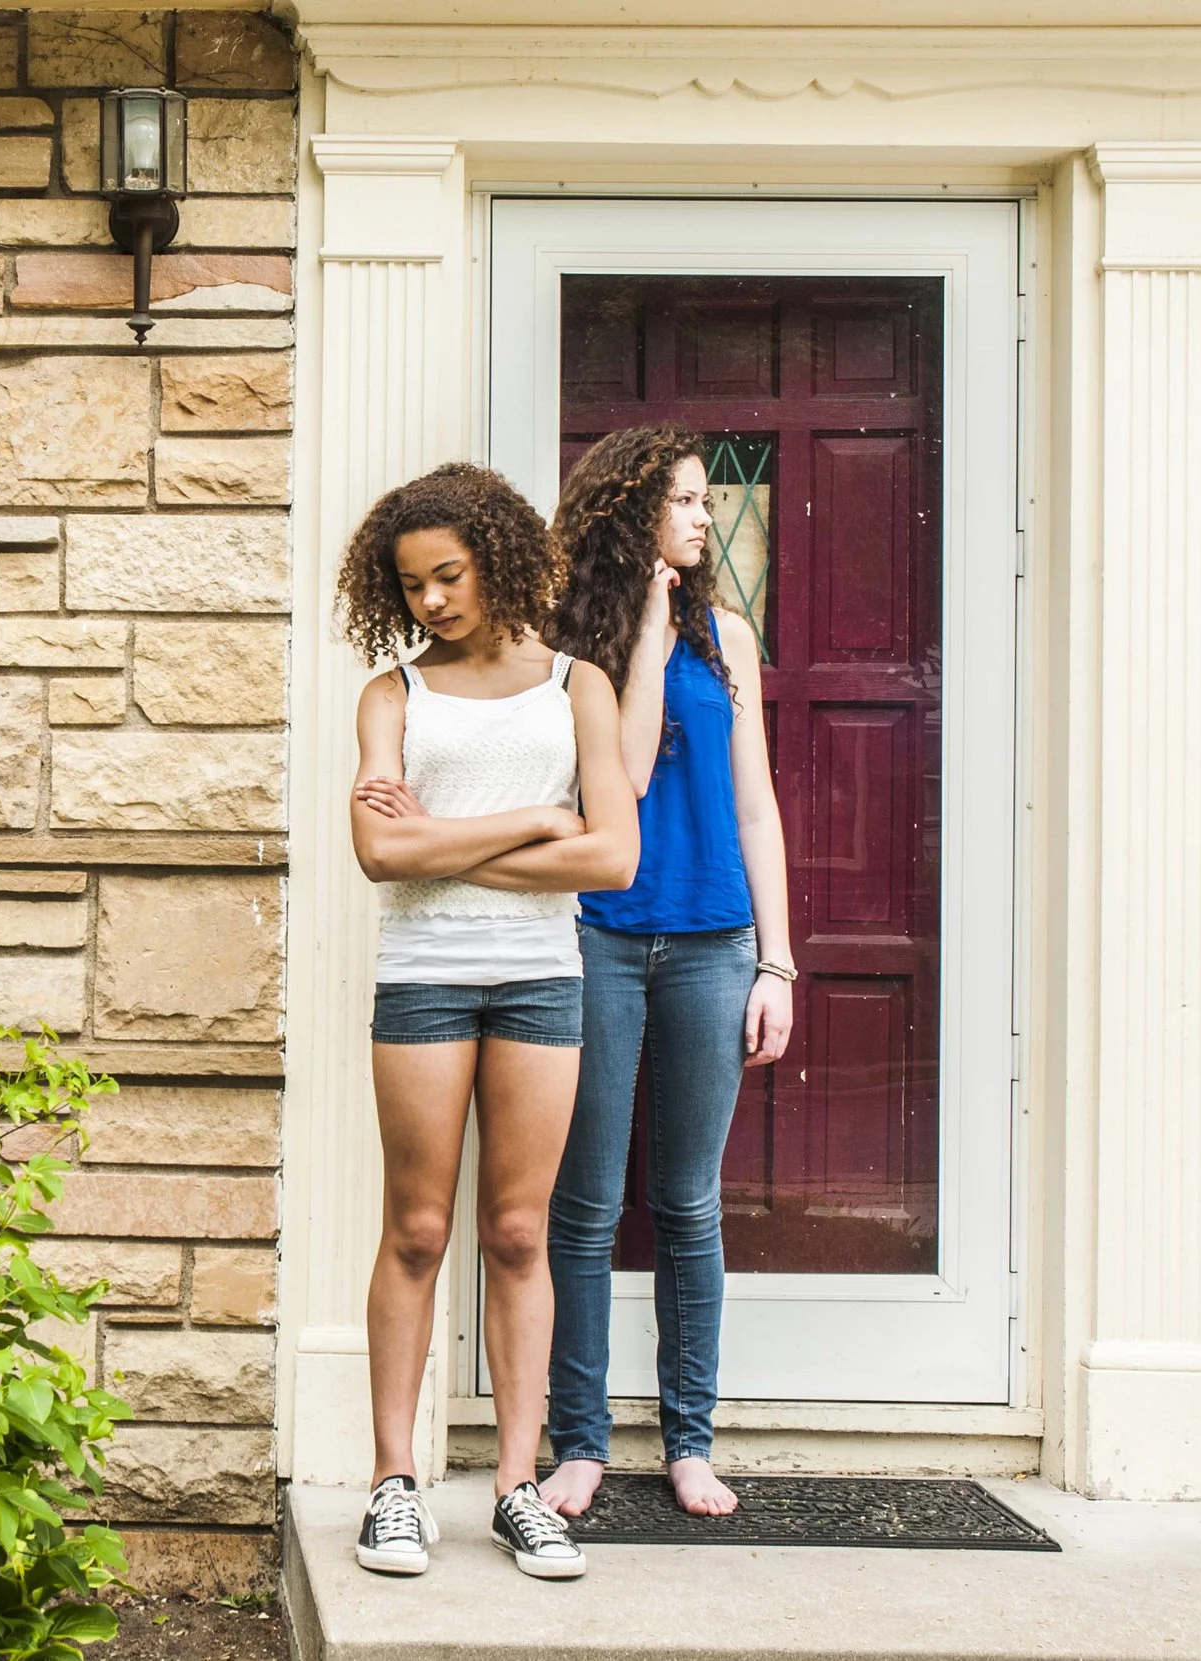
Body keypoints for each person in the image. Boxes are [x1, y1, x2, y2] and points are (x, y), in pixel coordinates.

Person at [340, 463, 639, 1581]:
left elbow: (611, 856)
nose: (430, 601)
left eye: (448, 576)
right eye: (411, 584)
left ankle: (519, 1488)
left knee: (518, 1232)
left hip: (538, 981)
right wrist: (527, 820)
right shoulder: (391, 695)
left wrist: (449, 840)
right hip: (423, 979)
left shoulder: (577, 685)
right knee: (417, 1229)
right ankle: (392, 1487)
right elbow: (380, 853)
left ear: (498, 559)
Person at [537, 425, 797, 1521]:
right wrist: (645, 624)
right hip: (594, 935)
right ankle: (580, 1443)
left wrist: (776, 959)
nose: (703, 517)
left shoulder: (729, 638)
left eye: (704, 501)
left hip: (709, 939)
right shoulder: (562, 647)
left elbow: (753, 805)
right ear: (630, 510)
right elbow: (629, 773)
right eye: (684, 501)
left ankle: (689, 1440)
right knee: (585, 1204)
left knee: (689, 1201)